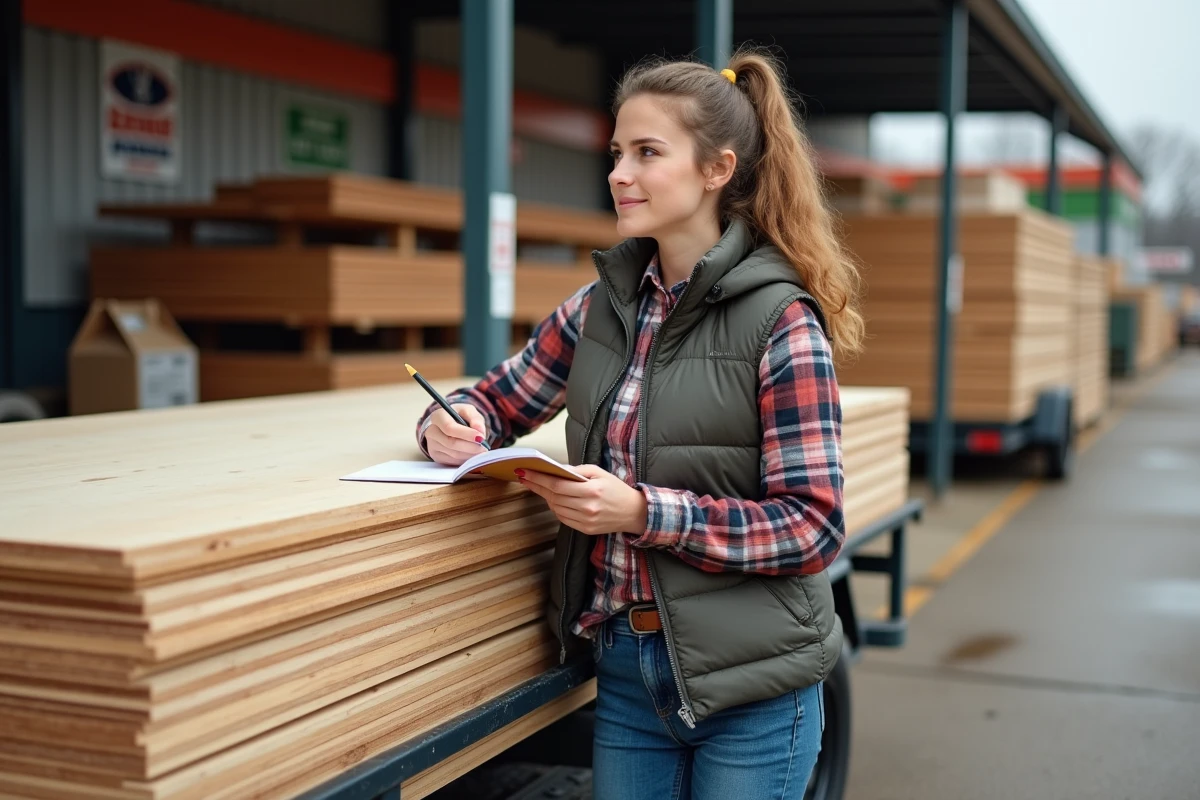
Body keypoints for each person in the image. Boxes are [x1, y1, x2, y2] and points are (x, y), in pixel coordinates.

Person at [416, 46, 865, 800]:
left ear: (717, 169)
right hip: (627, 672)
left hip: (753, 687)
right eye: (617, 153)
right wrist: (449, 420)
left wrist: (640, 512)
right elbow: (497, 398)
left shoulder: (780, 322)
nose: (619, 173)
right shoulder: (602, 306)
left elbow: (811, 527)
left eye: (647, 153)